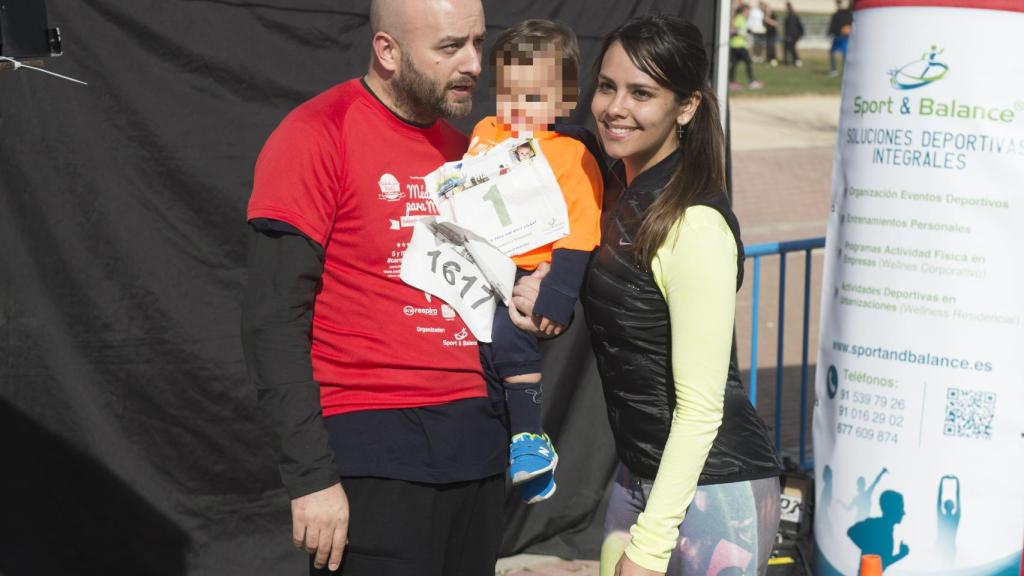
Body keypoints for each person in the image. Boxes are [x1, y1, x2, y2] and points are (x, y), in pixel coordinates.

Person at [241, 0, 508, 573]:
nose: (473, 63)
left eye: (479, 43)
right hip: (372, 451)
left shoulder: (465, 154)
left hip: (475, 447)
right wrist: (310, 477)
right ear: (387, 51)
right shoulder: (316, 134)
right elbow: (272, 320)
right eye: (449, 47)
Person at [511, 15, 784, 575]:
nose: (616, 107)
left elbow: (701, 409)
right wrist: (547, 289)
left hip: (714, 493)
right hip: (641, 476)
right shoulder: (617, 191)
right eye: (607, 86)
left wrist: (652, 544)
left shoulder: (696, 227)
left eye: (642, 93)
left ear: (685, 107)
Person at [466, 19, 604, 504]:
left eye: (533, 97)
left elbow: (583, 232)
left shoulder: (573, 154)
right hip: (472, 263)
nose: (518, 108)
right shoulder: (486, 130)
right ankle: (491, 437)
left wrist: (559, 295)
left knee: (508, 339)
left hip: (528, 271)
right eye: (509, 93)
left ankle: (529, 440)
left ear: (565, 101)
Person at [847, 490, 911, 570]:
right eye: (900, 508)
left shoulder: (884, 528)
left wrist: (901, 554)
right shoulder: (878, 527)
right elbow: (851, 531)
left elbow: (883, 563)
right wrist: (869, 550)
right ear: (892, 509)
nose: (903, 512)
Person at [729, 5, 763, 90]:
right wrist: (739, 33)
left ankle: (732, 82)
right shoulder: (739, 18)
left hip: (736, 45)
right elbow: (733, 30)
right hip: (737, 45)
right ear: (743, 11)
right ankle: (752, 82)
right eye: (747, 11)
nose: (748, 13)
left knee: (734, 64)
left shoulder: (742, 19)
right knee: (748, 61)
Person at [827, 0, 853, 77]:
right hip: (841, 36)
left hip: (842, 36)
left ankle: (837, 70)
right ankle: (837, 69)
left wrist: (829, 32)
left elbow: (833, 25)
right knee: (839, 53)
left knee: (841, 53)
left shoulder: (840, 14)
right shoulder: (848, 14)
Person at [782, 2, 804, 67]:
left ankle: (796, 60)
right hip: (794, 35)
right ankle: (792, 61)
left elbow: (791, 27)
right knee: (790, 47)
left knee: (791, 47)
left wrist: (789, 36)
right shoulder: (793, 14)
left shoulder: (791, 16)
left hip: (793, 35)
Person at [761, 2, 779, 67]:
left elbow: (776, 23)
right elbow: (763, 24)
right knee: (767, 47)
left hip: (773, 33)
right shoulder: (764, 15)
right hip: (767, 33)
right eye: (766, 9)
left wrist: (768, 20)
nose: (767, 10)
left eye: (768, 9)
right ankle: (768, 59)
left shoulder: (773, 15)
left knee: (772, 46)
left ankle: (773, 59)